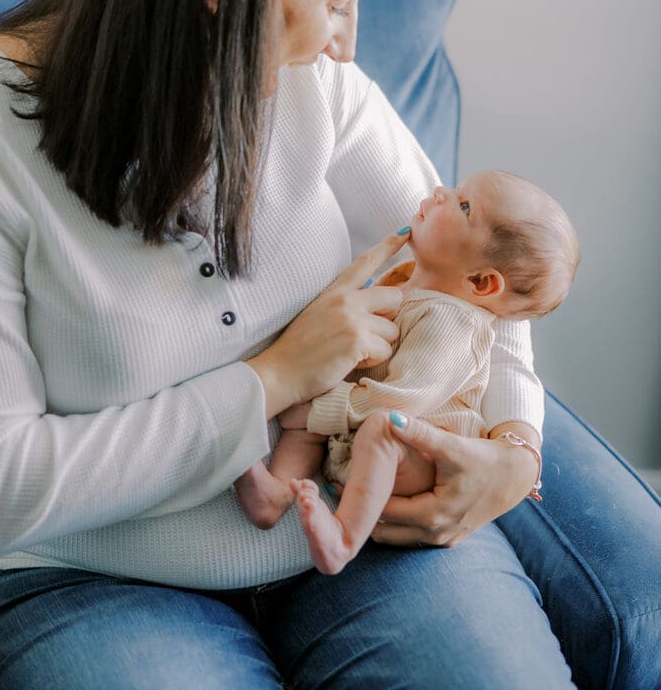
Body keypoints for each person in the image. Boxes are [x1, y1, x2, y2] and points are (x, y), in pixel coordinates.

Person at [0, 0, 576, 688]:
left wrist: (514, 449)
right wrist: (271, 380)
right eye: (336, 3)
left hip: (347, 517)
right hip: (88, 573)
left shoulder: (312, 86)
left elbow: (490, 267)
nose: (346, 46)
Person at [235, 170, 579, 574]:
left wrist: (323, 409)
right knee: (314, 419)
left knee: (381, 427)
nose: (439, 191)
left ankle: (344, 538)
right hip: (362, 429)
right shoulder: (408, 281)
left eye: (463, 205)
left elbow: (406, 399)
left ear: (482, 282)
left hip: (420, 455)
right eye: (454, 191)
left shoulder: (451, 322)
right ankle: (275, 495)